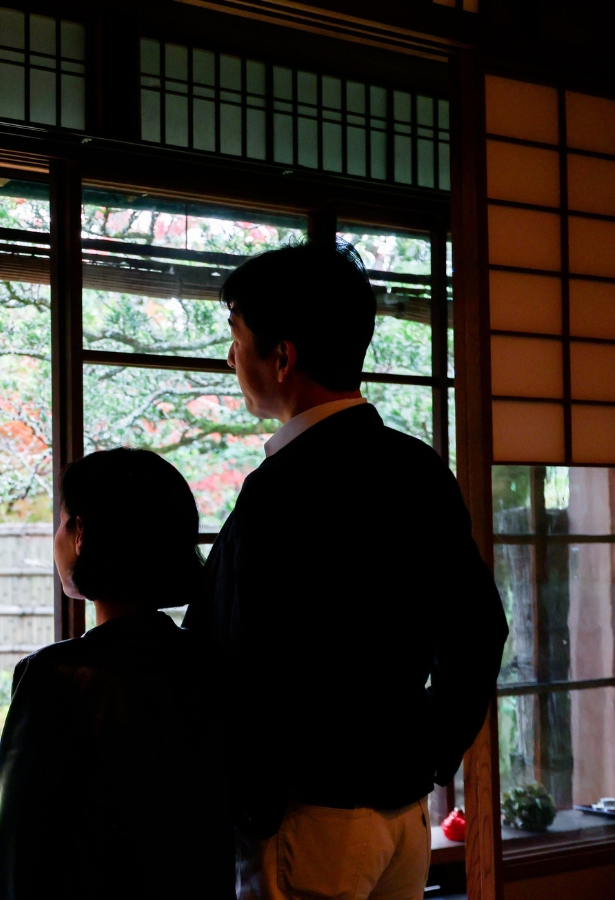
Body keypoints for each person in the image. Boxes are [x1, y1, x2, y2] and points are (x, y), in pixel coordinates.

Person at [194, 241, 507, 900]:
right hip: (401, 816)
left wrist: (251, 804)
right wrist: (425, 748)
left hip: (310, 821)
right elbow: (479, 629)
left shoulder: (280, 491)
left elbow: (242, 659)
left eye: (237, 340)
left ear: (283, 358)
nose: (230, 359)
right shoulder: (418, 468)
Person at [0, 448, 231, 900]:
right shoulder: (212, 664)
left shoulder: (52, 677)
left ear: (81, 534)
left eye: (62, 522)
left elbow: (19, 858)